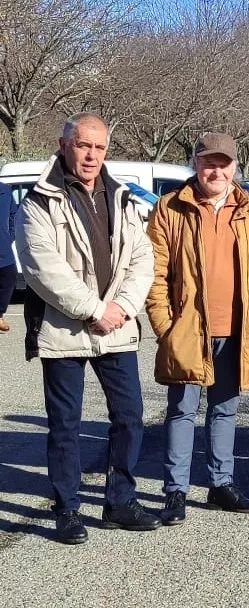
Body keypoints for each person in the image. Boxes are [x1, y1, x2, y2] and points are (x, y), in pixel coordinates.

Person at [16, 112, 160, 544]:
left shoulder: (122, 198)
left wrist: (123, 306)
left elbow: (143, 259)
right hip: (66, 328)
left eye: (99, 147)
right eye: (83, 145)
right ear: (65, 146)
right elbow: (43, 269)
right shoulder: (39, 203)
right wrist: (95, 309)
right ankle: (67, 508)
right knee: (65, 424)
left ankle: (118, 501)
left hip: (117, 325)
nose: (91, 154)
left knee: (130, 416)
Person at [145, 133, 249, 524]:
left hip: (238, 330)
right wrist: (165, 325)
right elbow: (155, 274)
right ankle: (176, 491)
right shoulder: (170, 209)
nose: (215, 170)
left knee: (225, 410)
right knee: (181, 411)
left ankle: (222, 483)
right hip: (187, 330)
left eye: (223, 163)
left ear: (235, 167)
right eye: (208, 163)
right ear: (195, 164)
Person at [0, 182, 16, 333]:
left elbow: (13, 215)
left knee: (9, 280)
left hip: (3, 248)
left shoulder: (5, 190)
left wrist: (10, 236)